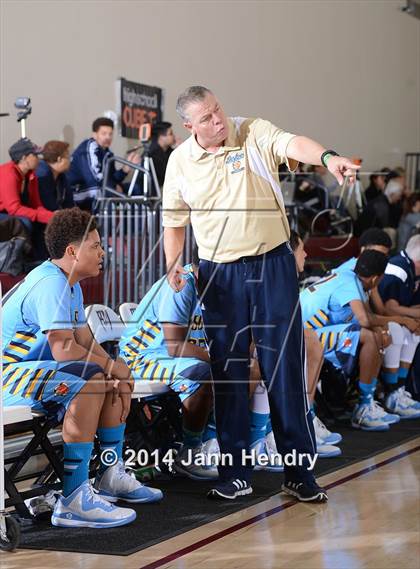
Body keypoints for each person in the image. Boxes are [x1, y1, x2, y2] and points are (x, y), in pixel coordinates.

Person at [162, 85, 360, 503]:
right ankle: (235, 472)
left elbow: (294, 143)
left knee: (283, 368)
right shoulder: (179, 162)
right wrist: (173, 264)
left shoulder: (251, 131)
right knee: (230, 371)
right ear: (189, 126)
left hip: (271, 263)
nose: (218, 120)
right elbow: (174, 222)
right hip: (219, 274)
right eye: (207, 118)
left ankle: (298, 473)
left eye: (218, 109)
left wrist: (328, 158)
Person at [2, 208, 162, 528]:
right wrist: (110, 368)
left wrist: (119, 369)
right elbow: (64, 350)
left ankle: (109, 473)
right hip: (7, 375)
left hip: (32, 372)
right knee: (92, 379)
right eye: (96, 246)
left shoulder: (69, 283)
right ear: (72, 251)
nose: (103, 252)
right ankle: (73, 498)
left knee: (108, 374)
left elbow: (87, 342)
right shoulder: (50, 284)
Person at [119, 247, 218, 480]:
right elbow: (175, 346)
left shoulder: (215, 286)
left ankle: (216, 442)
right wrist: (217, 359)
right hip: (141, 357)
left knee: (236, 367)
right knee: (205, 372)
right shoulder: (181, 285)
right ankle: (191, 452)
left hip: (169, 356)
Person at [300, 250, 400, 431]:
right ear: (377, 278)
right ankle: (364, 406)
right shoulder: (351, 283)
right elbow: (365, 320)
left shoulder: (348, 273)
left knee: (374, 334)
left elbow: (362, 319)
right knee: (370, 337)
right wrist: (400, 320)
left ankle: (366, 403)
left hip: (310, 329)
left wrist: (381, 327)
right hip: (304, 333)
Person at [289, 230, 342, 457]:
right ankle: (297, 426)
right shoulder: (273, 281)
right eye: (302, 250)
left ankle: (306, 418)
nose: (306, 254)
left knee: (311, 340)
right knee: (310, 342)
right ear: (290, 253)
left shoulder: (287, 281)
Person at [378, 234, 420, 417]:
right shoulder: (398, 267)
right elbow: (388, 307)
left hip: (392, 317)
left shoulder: (413, 270)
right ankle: (392, 391)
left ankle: (400, 390)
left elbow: (412, 306)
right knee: (397, 331)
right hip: (377, 318)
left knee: (415, 332)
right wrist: (413, 317)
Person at [68, 117, 140, 211]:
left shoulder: (108, 153)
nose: (108, 137)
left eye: (110, 134)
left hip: (98, 187)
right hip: (78, 191)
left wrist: (125, 170)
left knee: (135, 188)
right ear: (94, 134)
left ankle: (132, 225)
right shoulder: (89, 147)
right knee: (106, 190)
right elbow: (93, 178)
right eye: (104, 134)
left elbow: (111, 179)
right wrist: (113, 187)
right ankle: (105, 225)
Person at [0, 138, 53, 230]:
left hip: (9, 212)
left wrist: (52, 216)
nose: (39, 159)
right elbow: (14, 209)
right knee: (24, 223)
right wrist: (48, 217)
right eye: (35, 155)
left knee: (45, 225)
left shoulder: (31, 176)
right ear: (24, 158)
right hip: (4, 212)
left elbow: (36, 205)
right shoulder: (8, 174)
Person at [36, 140, 74, 211]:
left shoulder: (61, 176)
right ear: (59, 159)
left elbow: (69, 204)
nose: (70, 161)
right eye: (68, 157)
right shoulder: (42, 176)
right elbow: (49, 206)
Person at [149, 121, 177, 187]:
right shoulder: (151, 154)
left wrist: (181, 151)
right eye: (171, 134)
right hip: (156, 190)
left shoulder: (171, 152)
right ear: (161, 137)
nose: (174, 136)